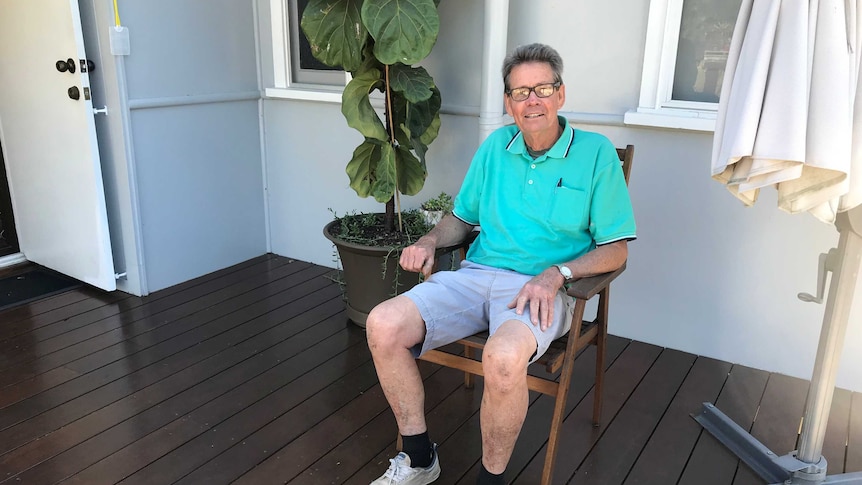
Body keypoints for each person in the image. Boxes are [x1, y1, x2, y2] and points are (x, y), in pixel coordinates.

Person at [366, 43, 636, 485]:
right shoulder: (496, 147)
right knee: (382, 324)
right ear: (508, 102)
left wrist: (558, 274)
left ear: (561, 94)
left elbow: (617, 248)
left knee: (505, 358)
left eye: (543, 88)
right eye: (520, 91)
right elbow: (462, 219)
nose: (532, 100)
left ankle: (490, 480)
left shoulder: (596, 154)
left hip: (543, 289)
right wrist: (431, 240)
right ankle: (417, 458)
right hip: (476, 275)